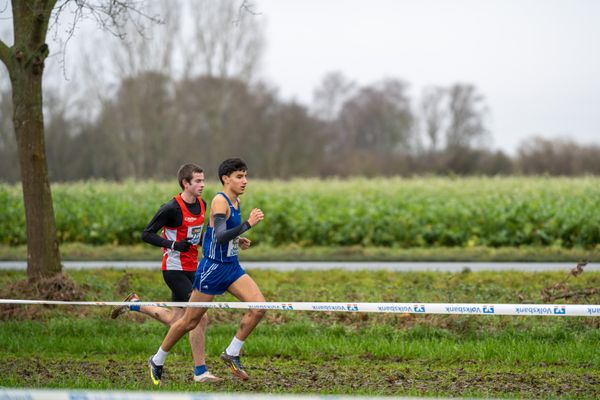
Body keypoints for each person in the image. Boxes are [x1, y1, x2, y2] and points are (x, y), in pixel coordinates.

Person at [148, 158, 266, 386]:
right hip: (212, 269)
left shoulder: (237, 201)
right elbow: (221, 235)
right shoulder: (219, 202)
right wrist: (248, 225)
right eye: (239, 176)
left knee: (259, 307)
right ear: (226, 178)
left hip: (232, 267)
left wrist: (238, 240)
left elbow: (216, 235)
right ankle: (157, 359)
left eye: (245, 176)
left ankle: (232, 352)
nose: (245, 181)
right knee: (190, 321)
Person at [110, 163, 221, 383]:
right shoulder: (171, 208)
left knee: (177, 320)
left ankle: (135, 303)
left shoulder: (202, 204)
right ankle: (200, 371)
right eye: (197, 181)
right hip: (174, 269)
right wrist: (172, 245)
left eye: (203, 180)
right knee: (199, 317)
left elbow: (197, 236)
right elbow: (146, 234)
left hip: (193, 268)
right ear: (185, 183)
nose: (202, 184)